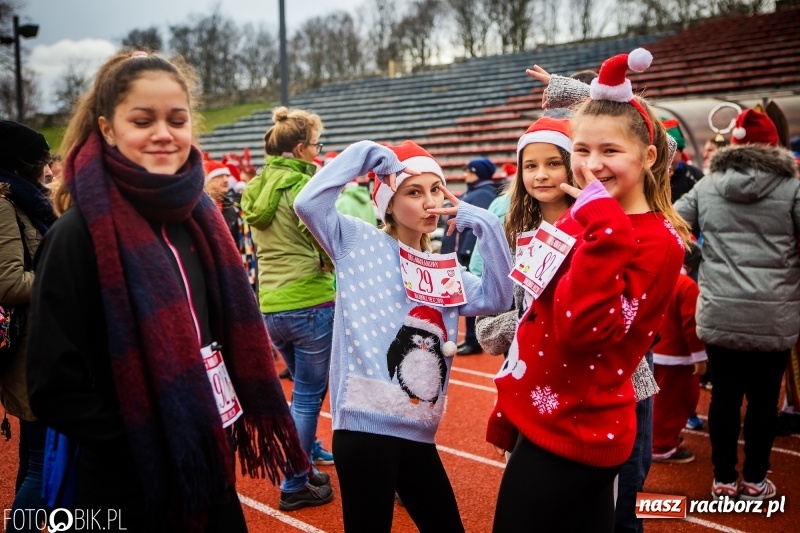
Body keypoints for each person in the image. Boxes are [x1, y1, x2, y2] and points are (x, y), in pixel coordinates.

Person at [25, 50, 312, 531]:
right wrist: (143, 435)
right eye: (143, 119)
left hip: (207, 463)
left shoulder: (199, 220)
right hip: (129, 481)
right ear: (108, 128)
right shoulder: (76, 237)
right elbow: (53, 388)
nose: (163, 132)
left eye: (177, 119)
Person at [488, 48, 690, 533]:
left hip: (579, 429)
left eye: (609, 152)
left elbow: (585, 332)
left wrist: (604, 230)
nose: (591, 165)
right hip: (549, 415)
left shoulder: (653, 240)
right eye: (581, 151)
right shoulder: (588, 215)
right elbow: (540, 311)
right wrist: (511, 399)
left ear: (649, 156)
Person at [294, 139, 513, 532]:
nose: (430, 202)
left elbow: (498, 297)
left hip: (418, 429)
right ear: (388, 203)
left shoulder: (444, 269)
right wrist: (364, 153)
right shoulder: (355, 241)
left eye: (435, 190)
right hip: (365, 427)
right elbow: (307, 203)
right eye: (414, 192)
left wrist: (485, 223)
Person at [675, 107, 800, 501]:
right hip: (774, 313)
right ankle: (756, 480)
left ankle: (724, 479)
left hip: (720, 311)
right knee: (764, 402)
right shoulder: (793, 187)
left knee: (725, 398)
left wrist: (700, 261)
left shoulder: (708, 185)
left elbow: (673, 226)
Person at [241, 106, 336, 510]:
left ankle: (301, 466)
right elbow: (323, 236)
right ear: (300, 149)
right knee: (308, 396)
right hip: (310, 299)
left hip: (272, 304)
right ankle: (295, 481)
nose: (318, 151)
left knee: (301, 393)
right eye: (316, 145)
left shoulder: (257, 185)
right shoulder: (302, 185)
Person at [474, 116, 575, 358]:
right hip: (530, 377)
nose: (541, 175)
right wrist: (529, 317)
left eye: (553, 164)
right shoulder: (512, 238)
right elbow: (486, 332)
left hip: (600, 384)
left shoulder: (601, 227)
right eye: (530, 166)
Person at [0, 121, 56, 532]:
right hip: (31, 352)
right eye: (41, 162)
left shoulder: (24, 201)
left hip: (42, 344)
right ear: (20, 165)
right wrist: (67, 274)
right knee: (43, 465)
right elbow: (9, 282)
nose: (50, 170)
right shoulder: (4, 204)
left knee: (35, 460)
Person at [651, 241, 706, 464]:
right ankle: (662, 446)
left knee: (655, 400)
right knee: (674, 403)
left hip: (652, 351)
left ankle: (658, 440)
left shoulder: (657, 276)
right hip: (676, 357)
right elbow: (691, 325)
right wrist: (700, 356)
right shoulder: (687, 285)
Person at [441, 157, 500, 355]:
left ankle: (473, 341)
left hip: (467, 252)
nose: (465, 174)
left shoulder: (483, 193)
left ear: (478, 172)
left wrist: (465, 252)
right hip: (460, 250)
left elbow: (476, 228)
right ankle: (470, 339)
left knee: (471, 297)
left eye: (469, 170)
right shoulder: (474, 191)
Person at [203, 159, 257, 290]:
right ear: (207, 181)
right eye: (219, 176)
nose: (226, 180)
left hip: (236, 269)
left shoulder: (235, 207)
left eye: (227, 176)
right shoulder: (200, 210)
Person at [663, 119, 704, 203]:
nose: (667, 159)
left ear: (680, 151)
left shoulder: (694, 175)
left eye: (671, 152)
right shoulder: (648, 178)